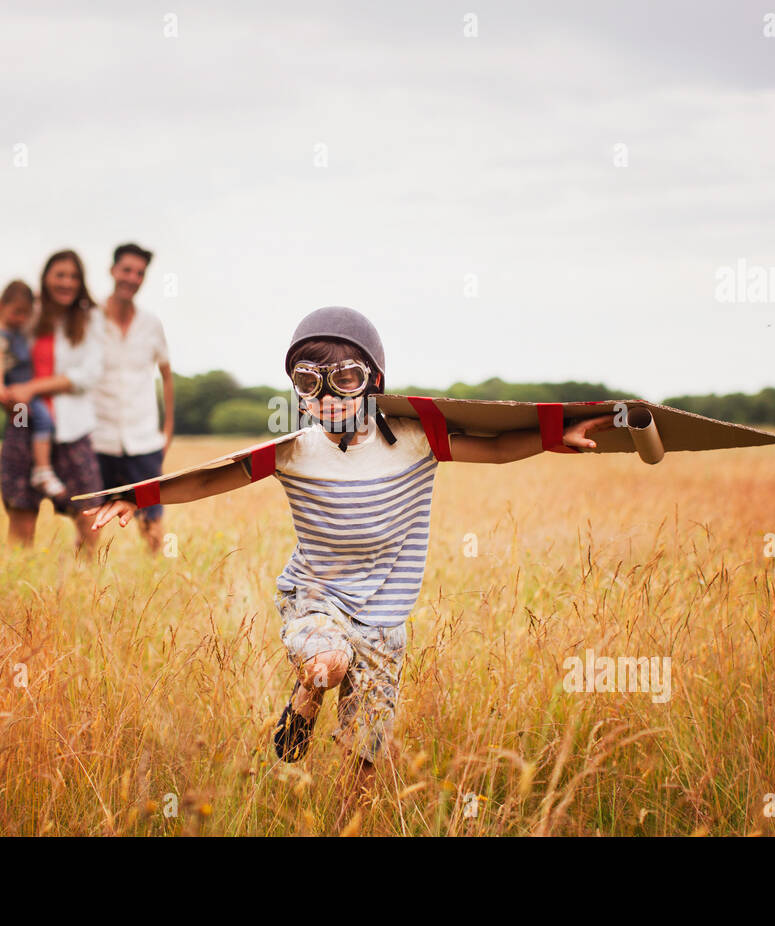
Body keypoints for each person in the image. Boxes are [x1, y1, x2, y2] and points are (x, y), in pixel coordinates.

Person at [83, 306, 614, 823]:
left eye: (346, 377)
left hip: (384, 616)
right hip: (316, 597)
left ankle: (346, 821)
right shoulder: (293, 450)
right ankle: (308, 696)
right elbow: (211, 477)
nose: (329, 396)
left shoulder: (416, 438)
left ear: (373, 380)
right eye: (309, 382)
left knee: (365, 750)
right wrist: (141, 495)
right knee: (328, 664)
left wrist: (551, 436)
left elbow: (495, 448)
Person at [0, 250, 106, 550]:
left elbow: (89, 373)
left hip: (73, 429)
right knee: (21, 513)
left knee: (89, 514)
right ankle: (16, 591)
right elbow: (1, 347)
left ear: (81, 282)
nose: (66, 282)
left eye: (73, 276)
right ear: (45, 278)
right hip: (24, 425)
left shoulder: (91, 318)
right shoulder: (29, 315)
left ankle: (85, 588)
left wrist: (33, 387)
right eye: (60, 275)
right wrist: (4, 390)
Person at [89, 243, 174, 554]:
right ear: (112, 270)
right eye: (127, 270)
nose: (133, 278)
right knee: (89, 520)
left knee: (152, 520)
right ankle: (80, 586)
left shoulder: (151, 324)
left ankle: (158, 584)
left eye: (140, 273)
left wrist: (168, 430)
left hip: (143, 439)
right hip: (97, 437)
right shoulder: (88, 320)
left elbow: (166, 376)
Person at [0, 280, 65, 498]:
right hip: (17, 392)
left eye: (25, 314)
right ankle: (42, 470)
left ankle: (39, 468)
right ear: (1, 305)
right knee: (42, 422)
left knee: (30, 424)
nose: (21, 318)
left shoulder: (15, 330)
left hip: (25, 392)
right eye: (17, 312)